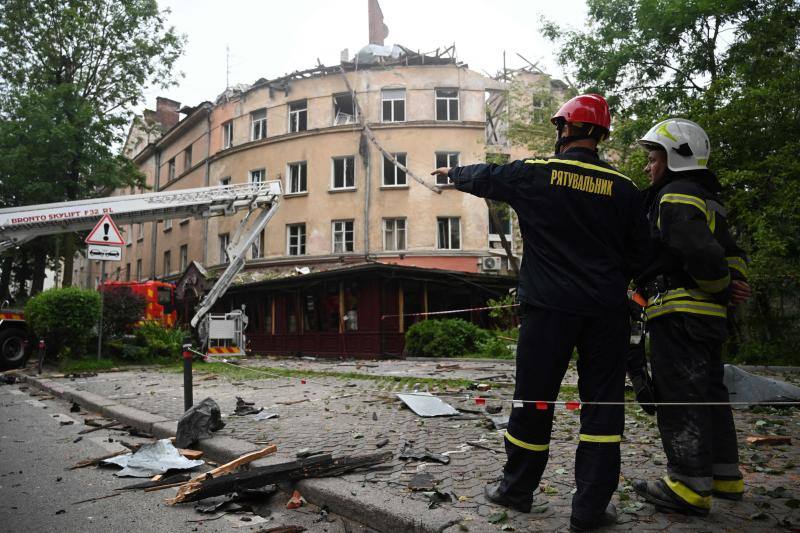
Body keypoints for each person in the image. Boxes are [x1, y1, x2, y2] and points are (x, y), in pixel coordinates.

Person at [432, 94, 651, 531]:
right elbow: (643, 254)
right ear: (601, 135)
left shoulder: (537, 173)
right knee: (602, 407)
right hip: (606, 313)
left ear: (565, 129)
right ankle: (589, 510)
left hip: (548, 309)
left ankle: (516, 490)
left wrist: (452, 174)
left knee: (533, 400)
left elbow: (489, 176)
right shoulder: (625, 189)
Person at [631, 118, 751, 516]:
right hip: (710, 318)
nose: (648, 167)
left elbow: (697, 249)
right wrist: (733, 284)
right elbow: (732, 253)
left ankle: (687, 486)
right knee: (711, 393)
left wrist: (718, 283)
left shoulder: (676, 195)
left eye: (652, 159)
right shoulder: (708, 197)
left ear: (675, 158)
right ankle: (724, 476)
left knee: (680, 397)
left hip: (679, 310)